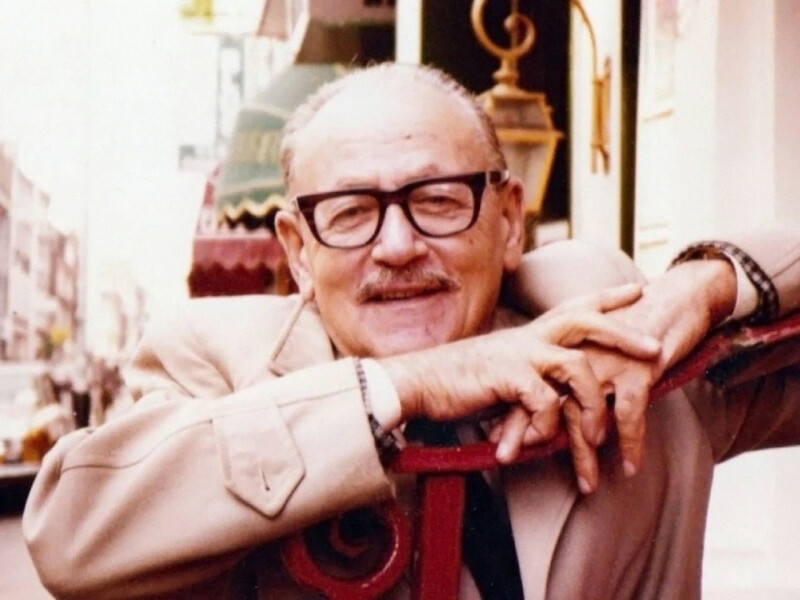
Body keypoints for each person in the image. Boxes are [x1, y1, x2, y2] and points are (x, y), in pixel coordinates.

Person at [22, 62, 800, 600]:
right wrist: (407, 384)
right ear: (297, 250)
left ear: (508, 221)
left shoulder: (614, 346)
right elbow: (70, 535)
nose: (397, 247)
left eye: (437, 200)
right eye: (350, 212)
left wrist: (708, 284)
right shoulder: (217, 361)